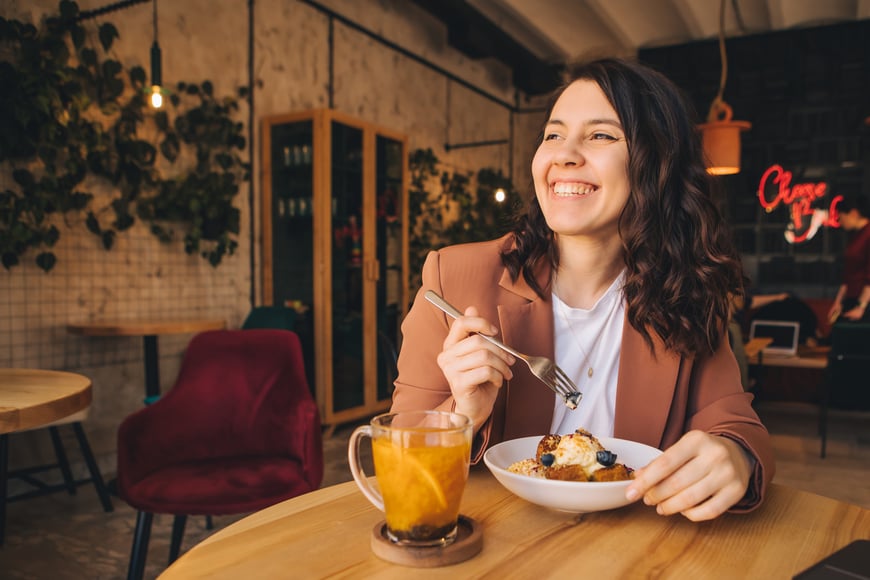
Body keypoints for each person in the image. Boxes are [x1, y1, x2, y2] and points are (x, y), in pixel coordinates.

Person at [391, 58, 775, 522]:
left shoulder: (685, 294)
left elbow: (736, 424)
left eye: (600, 135)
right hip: (493, 546)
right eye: (553, 135)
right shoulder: (453, 277)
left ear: (655, 163)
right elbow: (399, 457)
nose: (564, 154)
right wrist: (463, 414)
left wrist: (735, 457)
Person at [827, 193, 870, 323]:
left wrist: (861, 307)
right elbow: (848, 274)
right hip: (852, 298)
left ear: (853, 213)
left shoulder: (867, 234)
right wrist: (838, 302)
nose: (839, 221)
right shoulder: (854, 237)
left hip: (864, 303)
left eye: (841, 216)